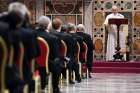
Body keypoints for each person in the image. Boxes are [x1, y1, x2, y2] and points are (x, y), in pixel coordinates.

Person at [36, 16, 62, 93]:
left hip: (32, 63)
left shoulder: (31, 34)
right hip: (46, 64)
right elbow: (55, 55)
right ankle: (55, 88)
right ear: (48, 25)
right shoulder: (52, 38)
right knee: (57, 64)